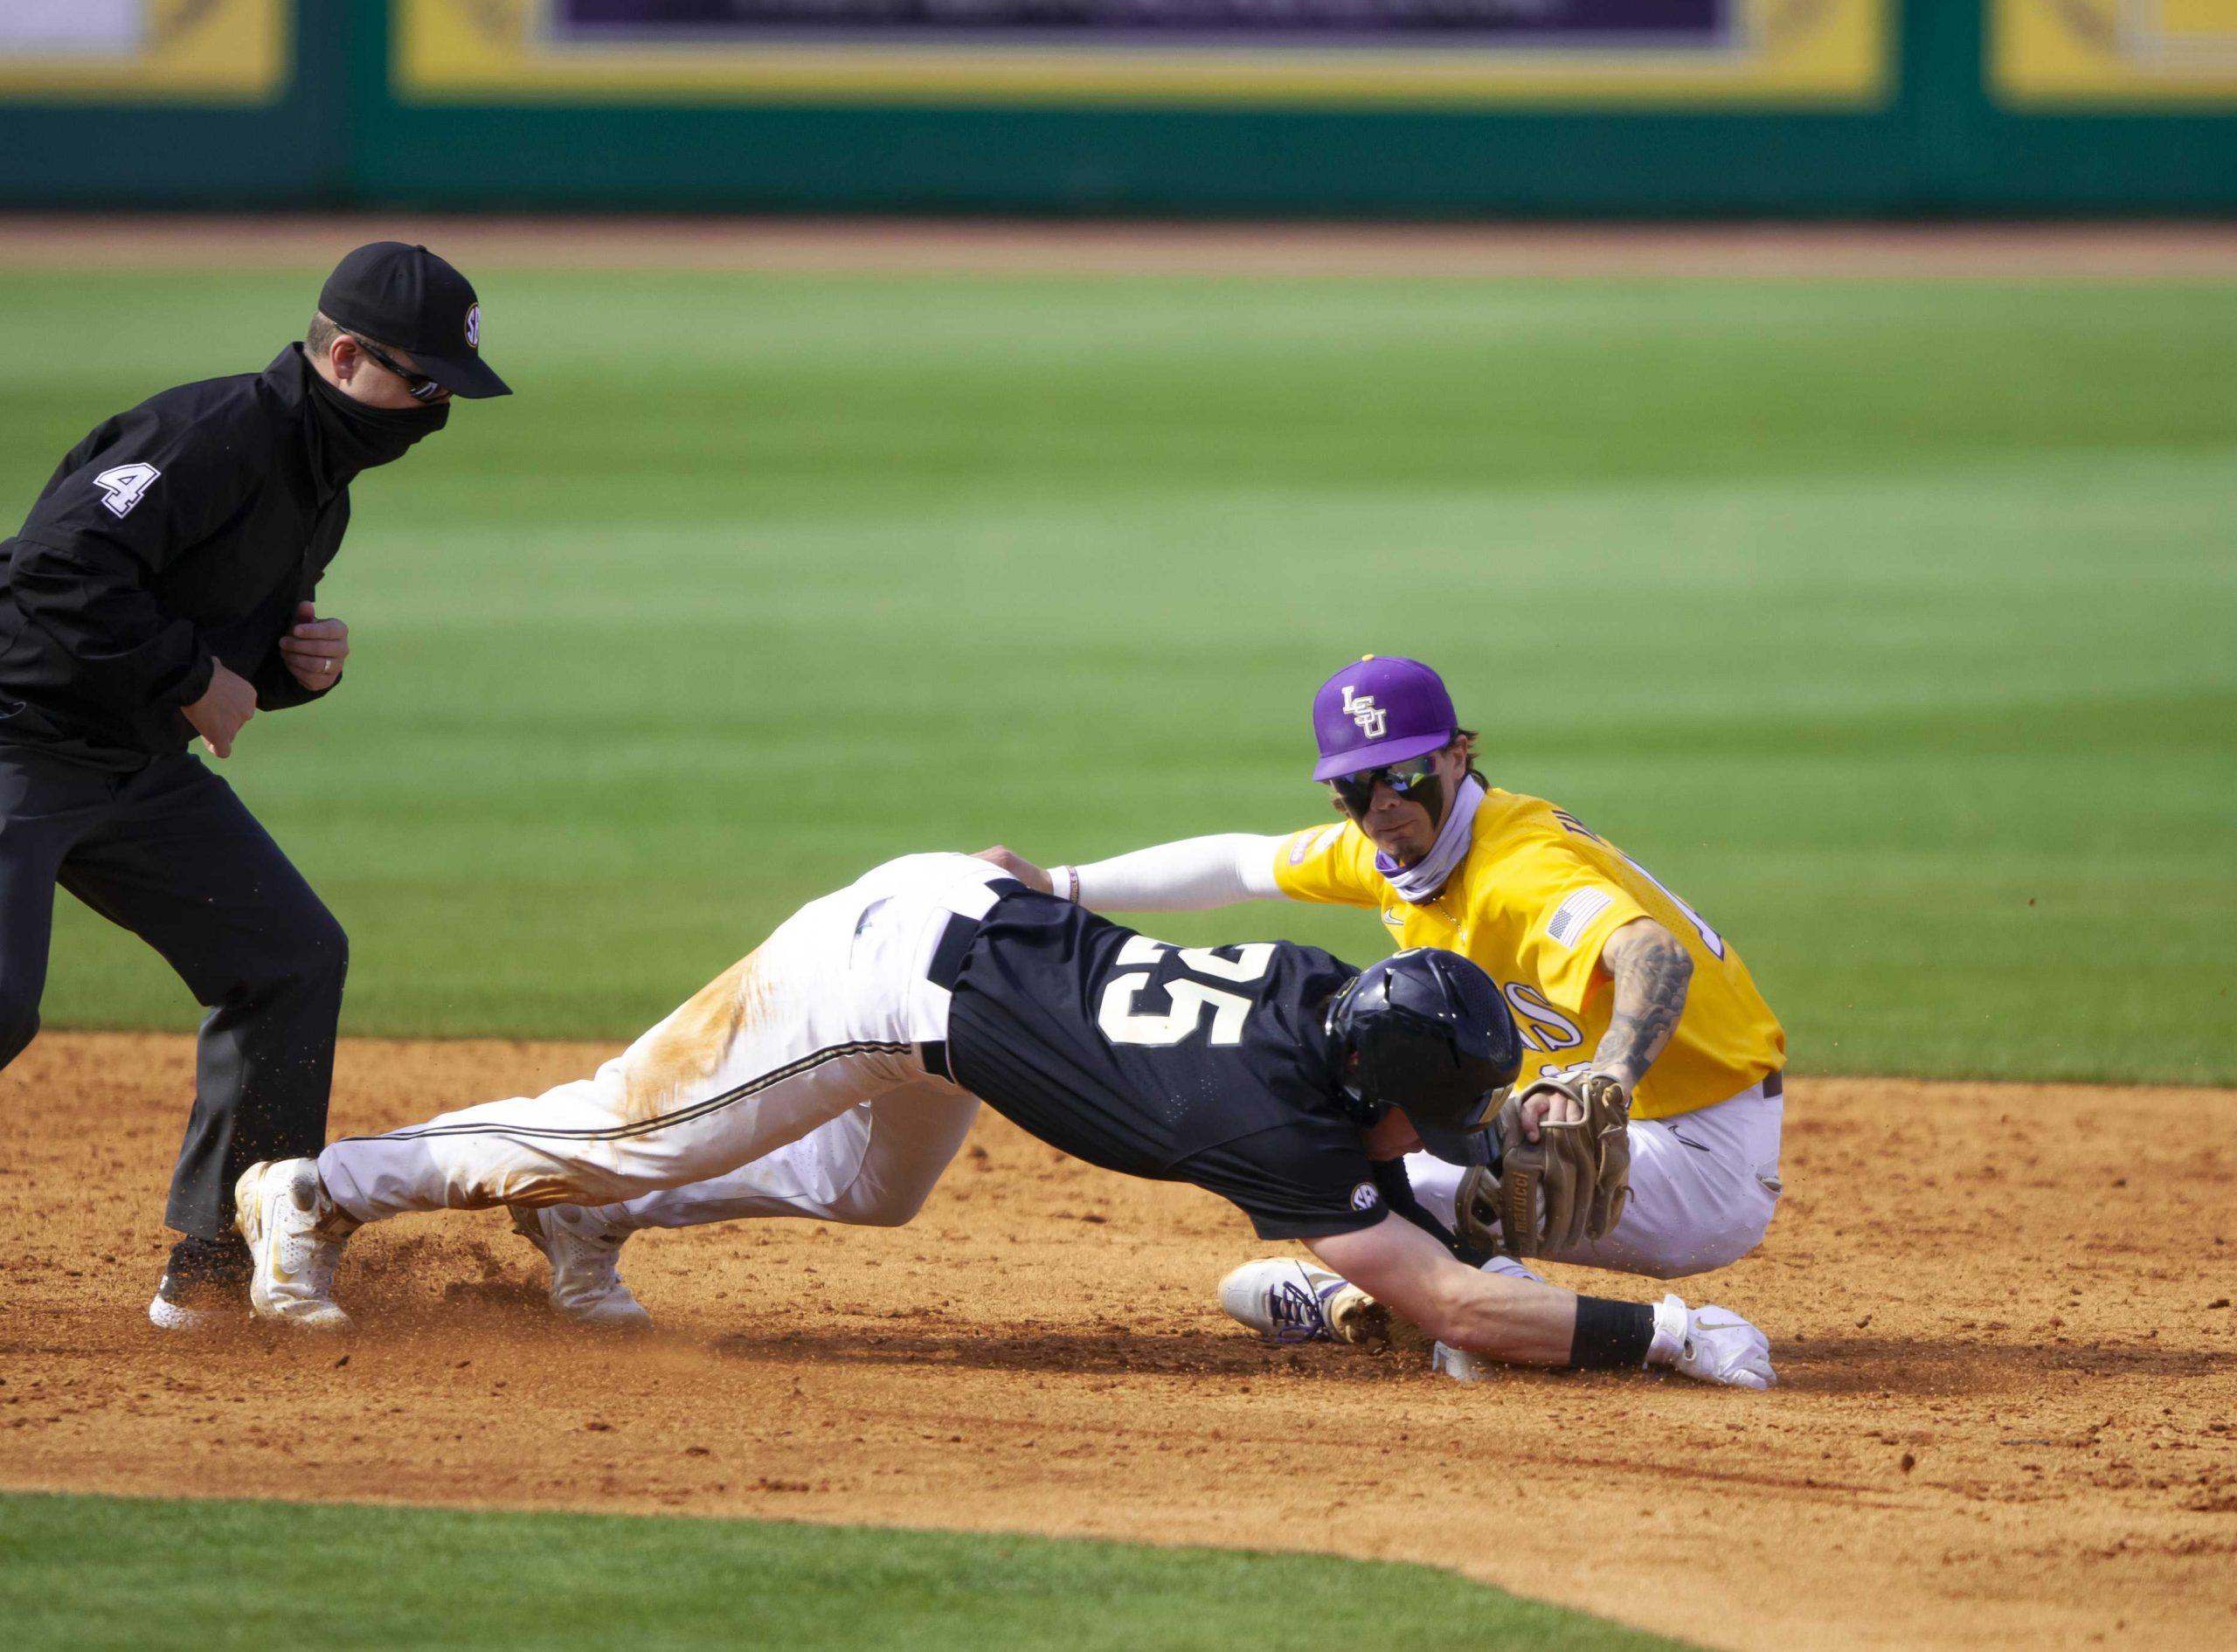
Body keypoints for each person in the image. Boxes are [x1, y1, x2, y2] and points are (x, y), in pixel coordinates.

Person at [231, 852, 1775, 1389]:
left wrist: (1465, 1199)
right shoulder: (1270, 1129)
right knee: (632, 1124)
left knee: (868, 1191)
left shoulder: (1325, 991)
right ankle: (317, 1187)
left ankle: (585, 1224)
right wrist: (1673, 1335)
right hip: (885, 982)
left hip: (976, 929)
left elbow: (1387, 1161)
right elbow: (1439, 1296)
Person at [980, 653, 1787, 1342]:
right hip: (1628, 1121)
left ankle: (1452, 1316)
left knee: (1331, 1165)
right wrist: (1056, 884)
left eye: (1403, 775)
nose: (1382, 804)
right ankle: (1406, 1308)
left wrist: (1609, 1073)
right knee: (1339, 1136)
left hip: (1703, 1149)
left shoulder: (1518, 865)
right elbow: (1238, 864)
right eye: (1357, 788)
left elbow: (1653, 953)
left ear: (1459, 755)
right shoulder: (1393, 849)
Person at [0, 241, 510, 1330]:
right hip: (13, 738)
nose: (432, 409)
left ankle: (218, 1258)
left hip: (129, 765)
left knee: (287, 956)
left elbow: (221, 655)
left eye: (446, 389)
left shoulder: (320, 488)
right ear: (341, 356)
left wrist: (287, 671)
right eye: (420, 382)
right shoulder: (213, 433)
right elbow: (51, 566)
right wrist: (193, 678)